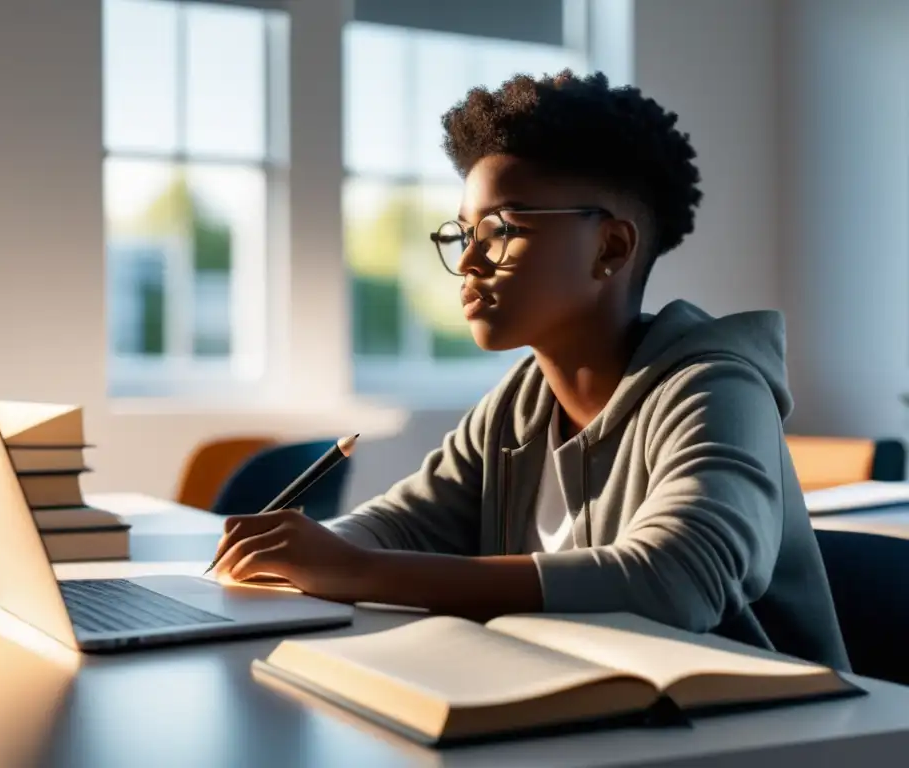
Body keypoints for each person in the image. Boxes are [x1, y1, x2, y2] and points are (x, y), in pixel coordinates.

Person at [212, 70, 849, 670]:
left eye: (502, 229)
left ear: (611, 247)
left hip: (774, 733)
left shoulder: (716, 388)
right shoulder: (520, 404)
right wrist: (297, 554)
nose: (468, 264)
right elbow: (405, 523)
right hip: (585, 713)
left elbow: (678, 578)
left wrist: (354, 570)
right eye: (464, 235)